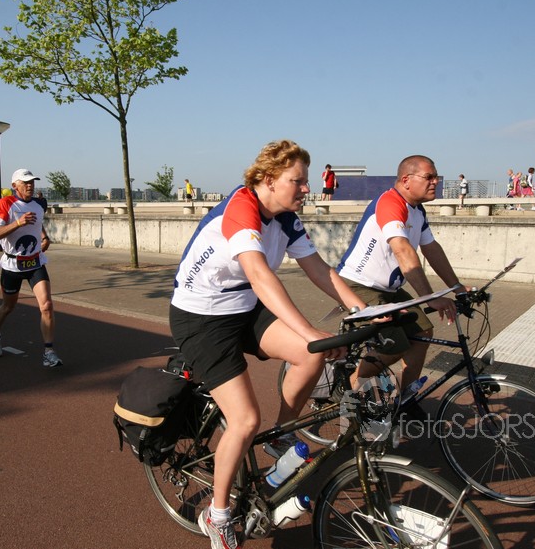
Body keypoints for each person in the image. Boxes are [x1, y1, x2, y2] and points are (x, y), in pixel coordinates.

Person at [169, 140, 365, 549]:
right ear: (268, 179)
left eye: (306, 181)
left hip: (242, 308)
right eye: (298, 180)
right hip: (202, 318)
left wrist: (363, 309)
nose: (307, 188)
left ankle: (280, 435)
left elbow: (319, 270)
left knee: (310, 358)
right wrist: (310, 331)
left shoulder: (286, 218)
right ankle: (217, 516)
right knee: (244, 420)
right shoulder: (241, 208)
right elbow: (260, 276)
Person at [336, 155, 469, 407]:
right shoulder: (390, 202)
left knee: (423, 332)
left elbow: (431, 249)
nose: (436, 182)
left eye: (436, 177)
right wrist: (431, 297)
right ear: (406, 180)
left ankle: (406, 401)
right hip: (358, 285)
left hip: (389, 289)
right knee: (394, 346)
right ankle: (350, 387)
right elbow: (403, 251)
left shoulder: (417, 210)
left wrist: (457, 287)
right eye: (429, 177)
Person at [0, 168, 62, 368]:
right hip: (12, 264)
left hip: (35, 262)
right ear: (15, 186)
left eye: (32, 182)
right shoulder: (5, 204)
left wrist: (45, 237)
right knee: (8, 307)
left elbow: (37, 223)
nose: (30, 185)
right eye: (25, 182)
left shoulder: (39, 204)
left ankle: (49, 352)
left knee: (46, 306)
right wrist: (18, 223)